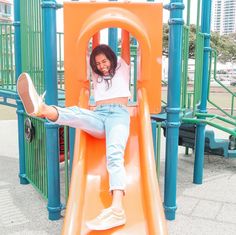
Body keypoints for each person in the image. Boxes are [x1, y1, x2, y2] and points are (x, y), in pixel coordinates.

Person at [17, 44, 131, 231]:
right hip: (99, 114)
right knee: (77, 113)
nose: (101, 66)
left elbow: (126, 43)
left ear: (112, 58)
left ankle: (117, 209)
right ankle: (43, 109)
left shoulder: (122, 66)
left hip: (119, 115)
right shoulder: (96, 75)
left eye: (104, 61)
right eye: (98, 63)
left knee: (114, 154)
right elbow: (84, 50)